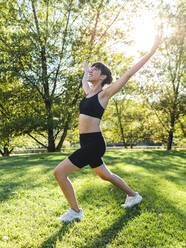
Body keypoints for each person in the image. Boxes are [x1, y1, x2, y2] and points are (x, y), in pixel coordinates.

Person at [54, 33, 160, 222]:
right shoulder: (88, 93)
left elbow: (128, 74)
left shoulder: (104, 94)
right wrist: (85, 69)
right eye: (91, 69)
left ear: (103, 76)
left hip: (94, 143)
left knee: (59, 173)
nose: (91, 72)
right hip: (87, 141)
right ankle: (133, 195)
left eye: (95, 70)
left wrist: (150, 52)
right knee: (105, 175)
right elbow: (83, 82)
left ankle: (75, 211)